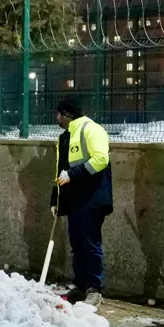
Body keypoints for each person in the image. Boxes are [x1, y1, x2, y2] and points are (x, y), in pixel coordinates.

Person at [50, 97, 112, 306]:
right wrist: (55, 199)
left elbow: (101, 159)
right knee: (77, 244)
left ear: (66, 114)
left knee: (90, 243)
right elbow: (61, 170)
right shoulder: (65, 137)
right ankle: (80, 285)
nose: (56, 117)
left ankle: (95, 288)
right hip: (74, 200)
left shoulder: (91, 130)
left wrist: (73, 175)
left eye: (58, 113)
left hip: (92, 199)